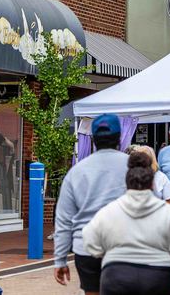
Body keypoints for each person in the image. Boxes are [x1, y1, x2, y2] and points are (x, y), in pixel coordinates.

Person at [82, 152, 170, 295]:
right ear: (152, 184)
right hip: (157, 277)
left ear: (126, 183)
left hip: (116, 275)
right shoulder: (168, 213)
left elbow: (88, 239)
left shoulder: (110, 211)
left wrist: (104, 253)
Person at [53, 114, 129, 295]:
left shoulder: (77, 171)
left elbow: (63, 221)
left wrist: (60, 260)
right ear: (119, 137)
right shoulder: (134, 166)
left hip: (86, 247)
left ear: (93, 139)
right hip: (126, 246)